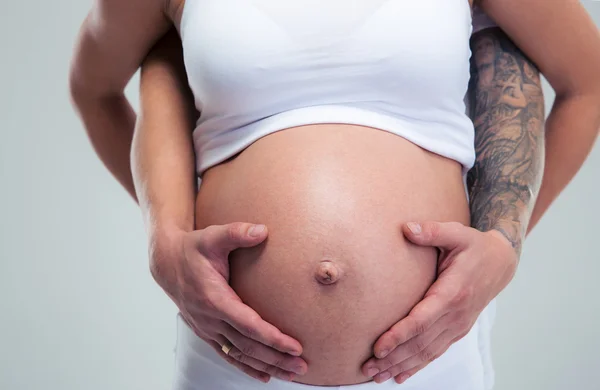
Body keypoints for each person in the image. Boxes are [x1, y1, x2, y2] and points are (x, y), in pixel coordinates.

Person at [69, 0, 600, 389]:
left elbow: (587, 81)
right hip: (233, 359)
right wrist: (164, 240)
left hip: (426, 358)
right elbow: (95, 88)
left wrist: (502, 249)